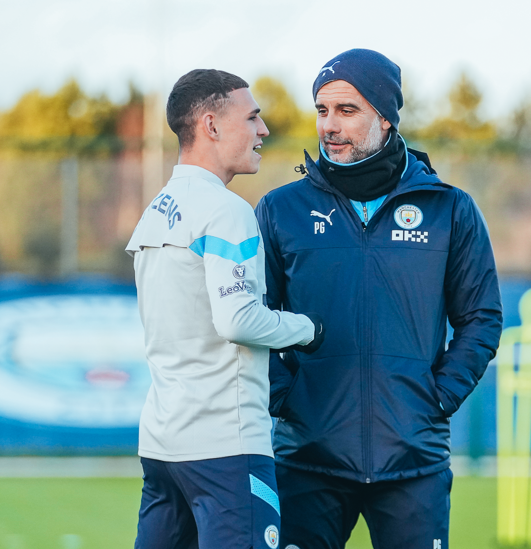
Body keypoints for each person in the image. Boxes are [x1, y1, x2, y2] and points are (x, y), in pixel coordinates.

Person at [254, 49, 503, 549]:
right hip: (307, 460)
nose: (329, 125)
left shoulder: (449, 209)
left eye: (347, 110)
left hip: (413, 462)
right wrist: (286, 398)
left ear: (386, 117)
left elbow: (481, 318)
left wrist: (437, 397)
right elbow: (251, 316)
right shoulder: (281, 209)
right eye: (322, 110)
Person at [126, 69, 324, 549]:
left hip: (163, 446)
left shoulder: (157, 209)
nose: (263, 130)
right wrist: (306, 328)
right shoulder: (226, 210)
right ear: (211, 125)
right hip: (225, 449)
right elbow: (237, 319)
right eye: (252, 118)